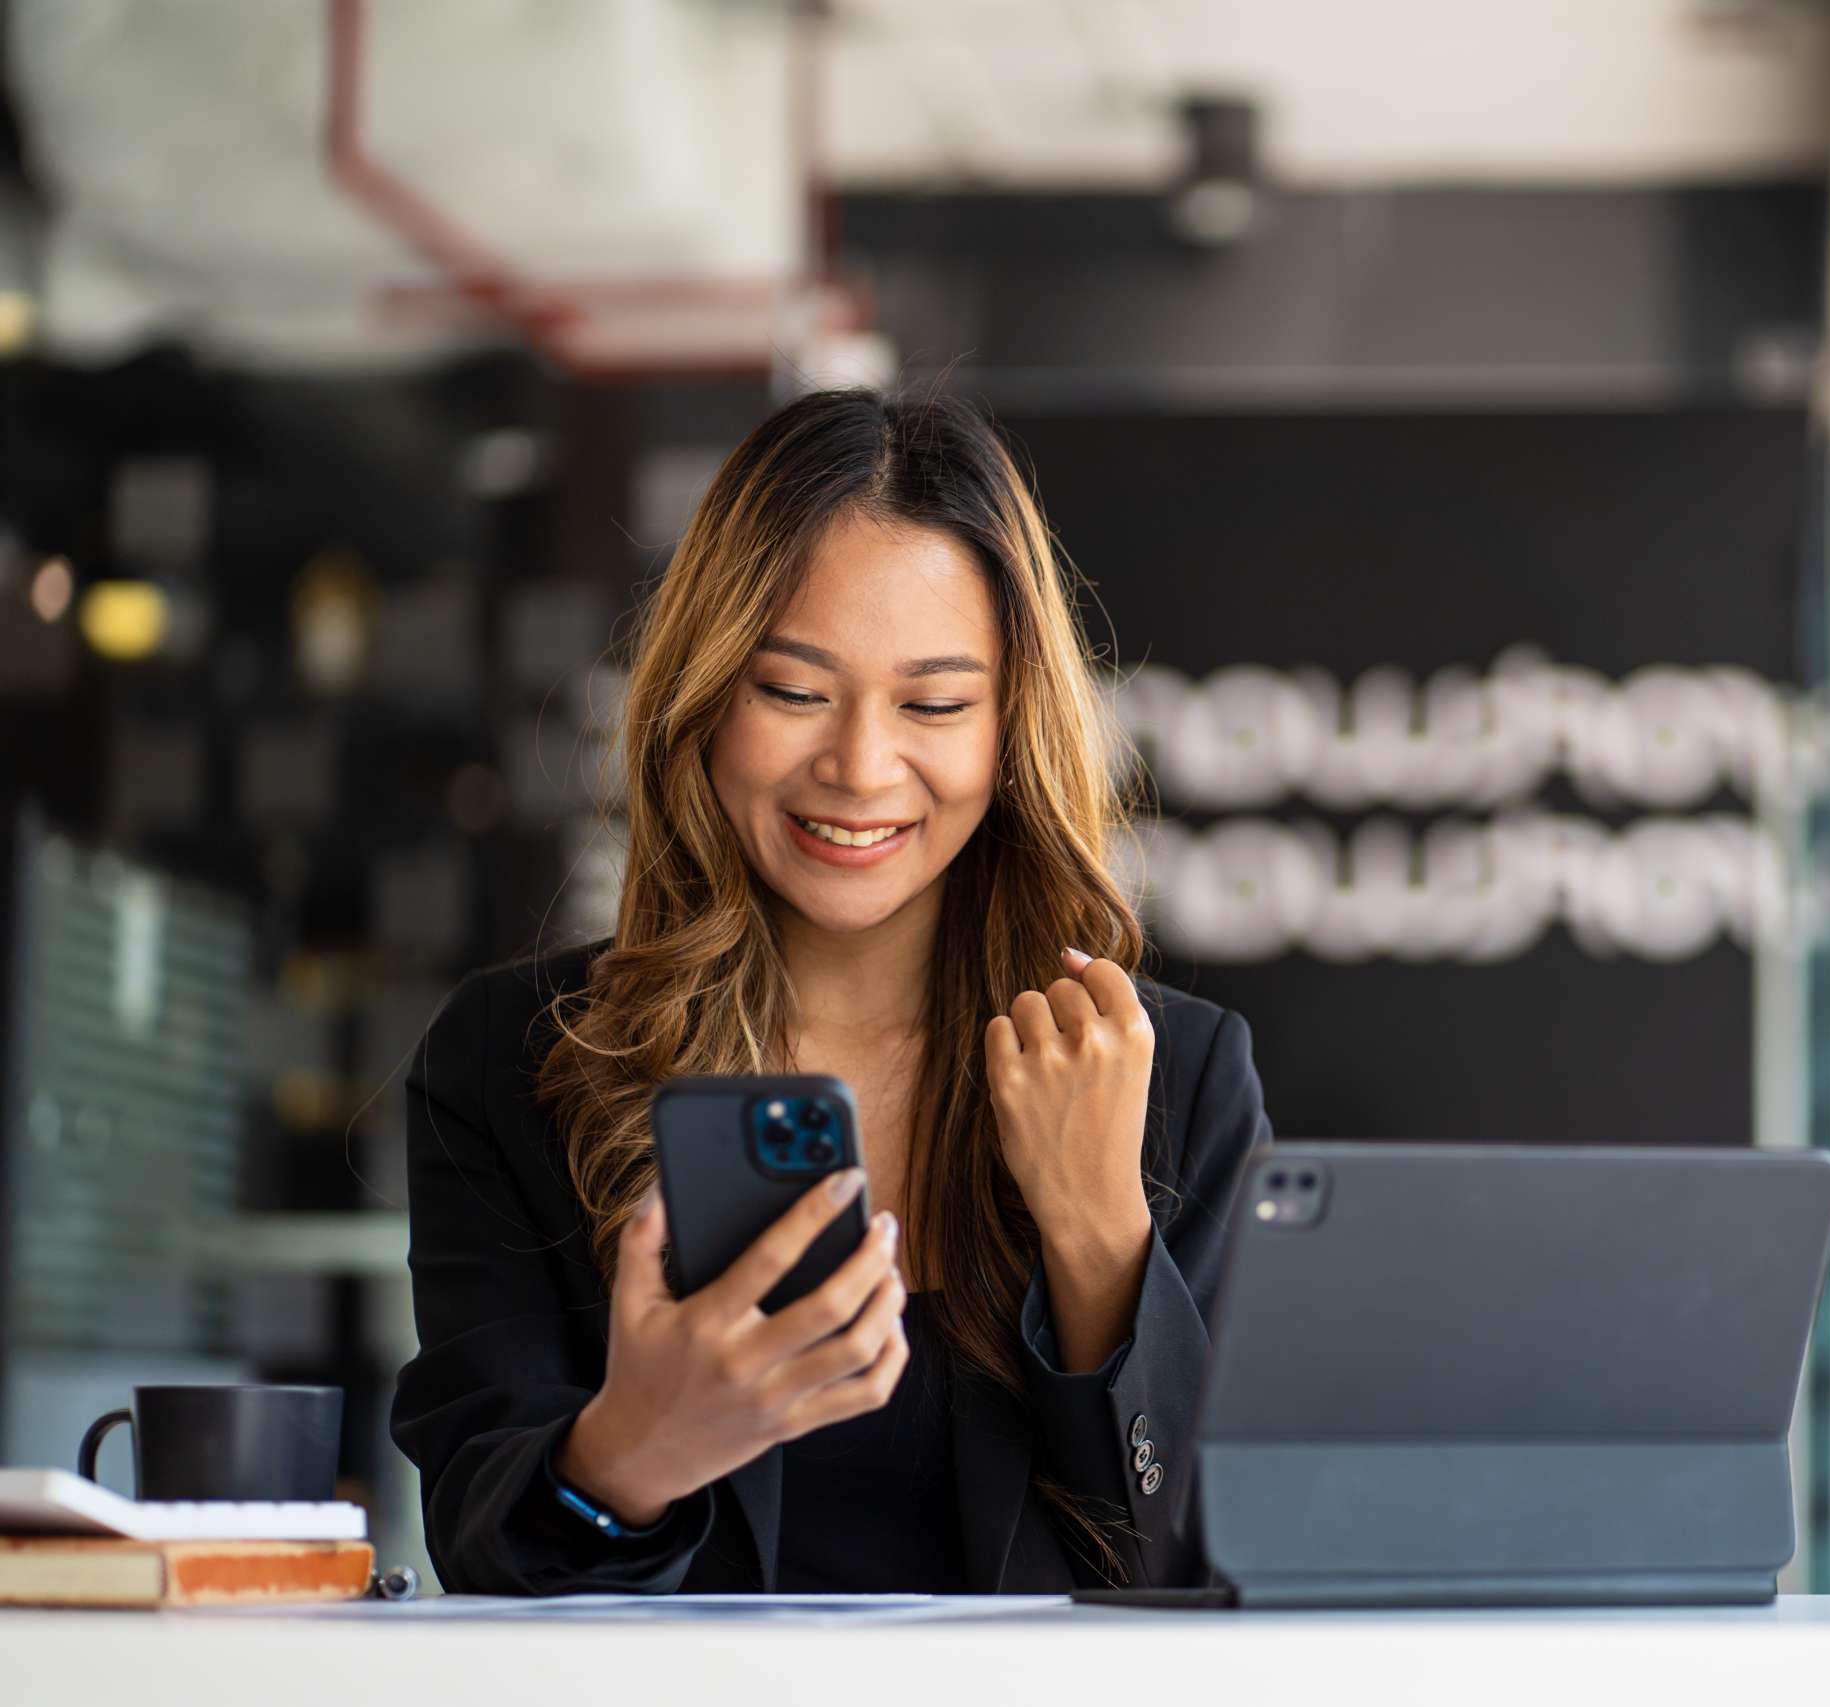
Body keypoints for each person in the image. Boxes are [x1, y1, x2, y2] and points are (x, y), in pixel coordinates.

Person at [389, 387, 1272, 1595]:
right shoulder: (515, 1059)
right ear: (704, 698)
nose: (860, 768)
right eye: (794, 692)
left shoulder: (1173, 1078)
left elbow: (1212, 1563)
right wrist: (634, 1453)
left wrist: (1098, 1237)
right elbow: (480, 1541)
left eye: (935, 704)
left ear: (1011, 726)